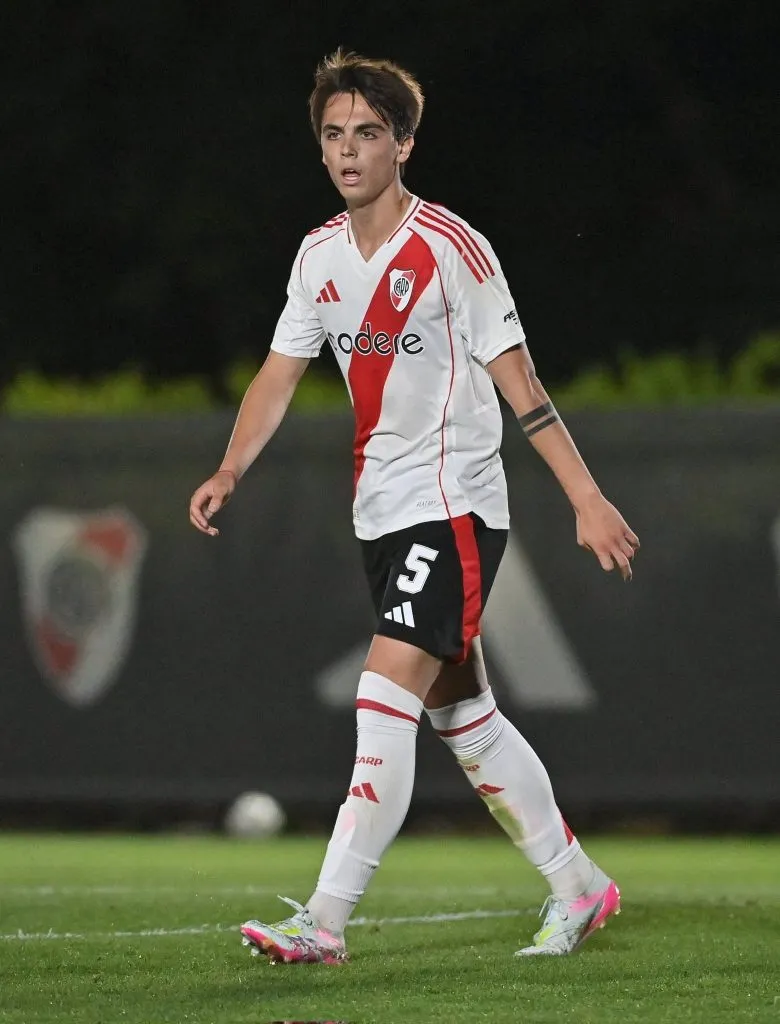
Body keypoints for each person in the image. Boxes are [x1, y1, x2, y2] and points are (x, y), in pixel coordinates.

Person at [188, 47, 639, 964]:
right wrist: (230, 468)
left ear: (403, 144)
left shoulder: (450, 250)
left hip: (454, 507)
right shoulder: (318, 256)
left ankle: (323, 919)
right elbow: (278, 376)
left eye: (367, 133)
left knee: (379, 695)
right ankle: (581, 887)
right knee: (465, 719)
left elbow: (523, 385)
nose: (348, 150)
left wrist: (587, 499)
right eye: (333, 135)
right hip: (382, 515)